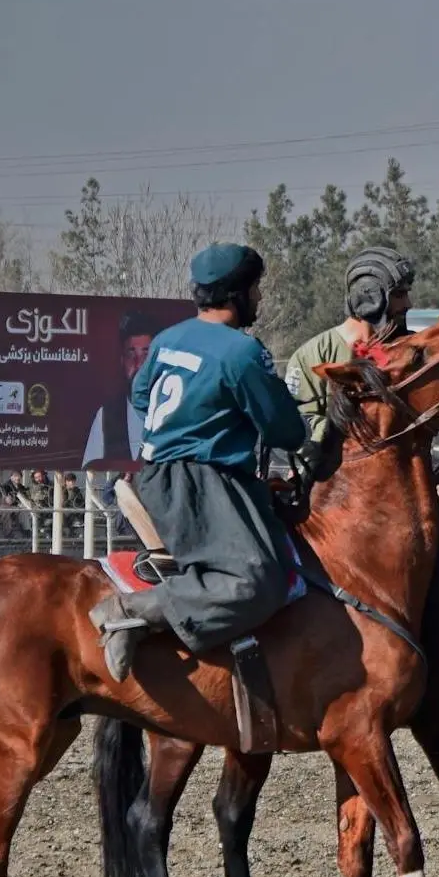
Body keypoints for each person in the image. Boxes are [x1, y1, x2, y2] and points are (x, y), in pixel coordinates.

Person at [91, 243, 308, 683]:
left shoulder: (169, 338)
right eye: (256, 289)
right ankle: (131, 611)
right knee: (254, 584)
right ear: (236, 294)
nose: (260, 298)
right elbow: (288, 432)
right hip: (202, 484)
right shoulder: (240, 352)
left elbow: (139, 398)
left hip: (157, 477)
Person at [286, 246, 418, 461]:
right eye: (399, 295)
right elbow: (300, 424)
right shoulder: (312, 356)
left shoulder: (410, 348)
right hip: (337, 480)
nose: (408, 304)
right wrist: (360, 434)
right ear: (370, 297)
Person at [83, 311, 160, 467]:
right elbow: (91, 470)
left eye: (146, 354)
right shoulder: (106, 417)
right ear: (122, 361)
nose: (138, 364)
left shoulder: (174, 415)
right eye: (132, 353)